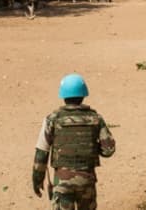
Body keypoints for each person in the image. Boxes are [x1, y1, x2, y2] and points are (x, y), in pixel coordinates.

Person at [32, 73, 116, 209]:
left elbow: (41, 153)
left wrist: (37, 179)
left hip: (62, 182)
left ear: (63, 96)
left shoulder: (52, 119)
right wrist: (93, 147)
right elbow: (109, 150)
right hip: (86, 181)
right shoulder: (95, 118)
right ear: (83, 95)